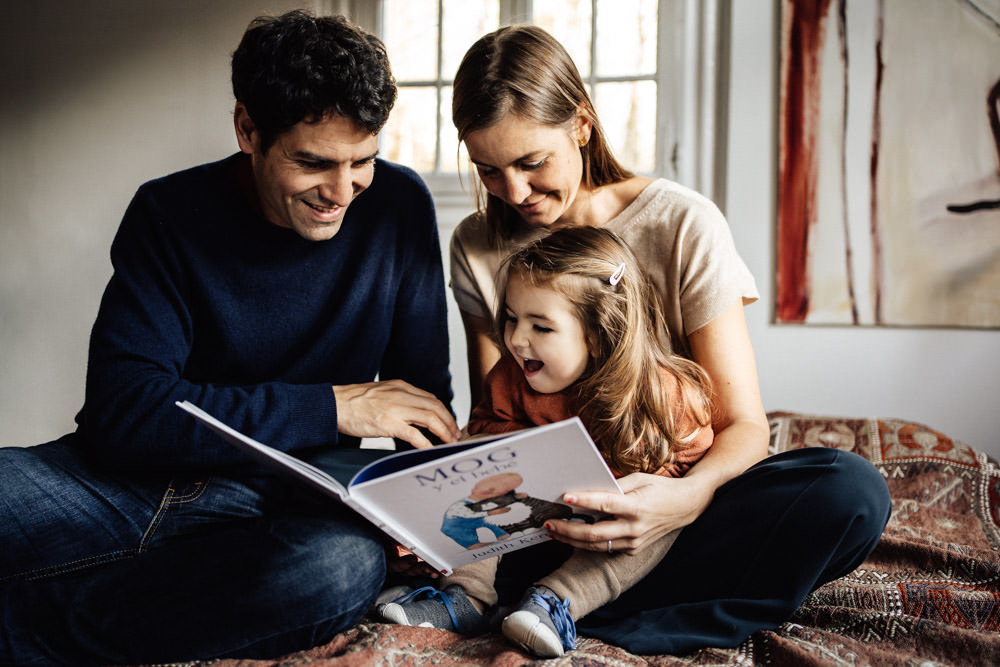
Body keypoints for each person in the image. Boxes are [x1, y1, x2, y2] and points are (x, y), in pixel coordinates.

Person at [0, 11, 459, 666]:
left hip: (284, 514)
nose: (342, 190)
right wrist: (331, 406)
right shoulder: (168, 213)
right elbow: (124, 413)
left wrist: (428, 506)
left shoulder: (399, 207)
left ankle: (23, 629)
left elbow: (422, 410)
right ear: (248, 129)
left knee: (339, 571)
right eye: (313, 162)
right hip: (126, 482)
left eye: (363, 160)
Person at [446, 25, 892, 655]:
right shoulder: (477, 245)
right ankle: (565, 606)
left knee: (850, 493)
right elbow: (496, 422)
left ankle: (590, 612)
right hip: (555, 521)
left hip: (681, 501)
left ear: (581, 124)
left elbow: (743, 428)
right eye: (488, 170)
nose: (514, 193)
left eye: (531, 162)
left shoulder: (681, 223)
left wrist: (678, 502)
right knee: (470, 539)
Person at [379, 227, 717, 658]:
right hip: (532, 522)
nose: (517, 339)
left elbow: (689, 461)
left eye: (541, 326)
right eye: (512, 318)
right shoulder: (510, 377)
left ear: (597, 336)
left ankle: (555, 602)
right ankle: (464, 597)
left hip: (609, 529)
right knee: (474, 492)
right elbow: (483, 430)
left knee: (654, 525)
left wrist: (646, 488)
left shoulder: (663, 394)